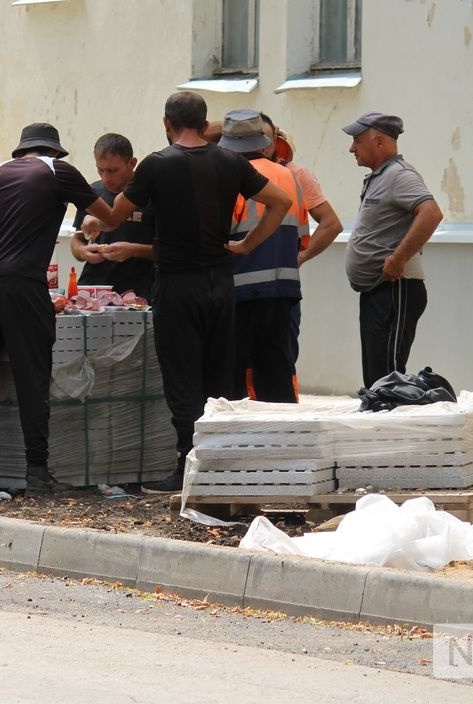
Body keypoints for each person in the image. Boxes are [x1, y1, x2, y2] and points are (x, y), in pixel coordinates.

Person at [86, 92, 292, 493]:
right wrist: (248, 244)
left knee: (182, 378)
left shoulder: (156, 165)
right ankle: (222, 465)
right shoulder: (230, 161)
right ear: (203, 123)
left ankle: (188, 465)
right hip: (220, 281)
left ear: (167, 124)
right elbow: (280, 202)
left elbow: (113, 216)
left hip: (177, 284)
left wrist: (92, 218)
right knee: (220, 374)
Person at [0, 123, 120, 497]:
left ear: (21, 150)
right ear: (55, 152)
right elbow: (109, 218)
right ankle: (38, 474)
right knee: (33, 375)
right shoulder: (58, 171)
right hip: (24, 283)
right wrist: (94, 217)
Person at [342, 111, 443, 388]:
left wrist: (399, 258)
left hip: (396, 288)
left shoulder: (400, 175)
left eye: (357, 140)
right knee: (377, 375)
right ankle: (378, 423)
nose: (352, 148)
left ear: (379, 141)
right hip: (379, 289)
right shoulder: (380, 176)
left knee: (388, 375)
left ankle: (391, 427)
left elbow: (431, 213)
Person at [218, 109, 305, 403]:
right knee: (276, 372)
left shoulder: (231, 174)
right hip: (283, 289)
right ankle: (285, 438)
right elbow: (301, 235)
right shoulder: (288, 175)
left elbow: (223, 231)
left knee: (233, 379)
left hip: (240, 287)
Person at [259, 113, 343, 396]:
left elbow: (331, 224)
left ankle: (282, 426)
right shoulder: (232, 170)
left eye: (266, 137)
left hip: (281, 288)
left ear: (277, 141)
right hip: (240, 287)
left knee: (280, 362)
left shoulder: (294, 174)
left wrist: (301, 257)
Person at [68, 134, 155, 301]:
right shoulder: (93, 193)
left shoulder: (152, 196)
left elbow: (166, 250)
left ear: (132, 163)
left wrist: (132, 250)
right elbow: (77, 240)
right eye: (100, 170)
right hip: (94, 290)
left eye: (113, 171)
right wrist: (83, 252)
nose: (106, 178)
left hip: (139, 292)